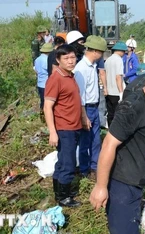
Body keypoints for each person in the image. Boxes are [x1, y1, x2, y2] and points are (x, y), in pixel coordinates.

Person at [89, 61, 145, 234]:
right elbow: (108, 144)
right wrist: (101, 186)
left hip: (137, 175)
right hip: (122, 180)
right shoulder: (133, 107)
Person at [44, 44, 82, 207]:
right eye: (66, 58)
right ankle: (64, 198)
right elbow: (47, 106)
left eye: (73, 57)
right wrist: (53, 132)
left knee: (63, 161)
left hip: (74, 126)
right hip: (64, 128)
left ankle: (60, 193)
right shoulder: (56, 78)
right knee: (68, 163)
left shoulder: (69, 76)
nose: (70, 61)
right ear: (58, 60)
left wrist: (84, 117)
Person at [74, 35, 107, 179]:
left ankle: (95, 166)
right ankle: (84, 169)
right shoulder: (81, 68)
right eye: (102, 53)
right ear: (95, 52)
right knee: (85, 141)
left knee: (96, 139)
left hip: (93, 107)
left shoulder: (92, 66)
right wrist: (83, 116)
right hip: (86, 108)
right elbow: (79, 96)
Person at [104, 41, 127, 127]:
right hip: (116, 92)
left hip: (109, 91)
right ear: (121, 51)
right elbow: (118, 77)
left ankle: (110, 130)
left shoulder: (108, 60)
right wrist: (121, 92)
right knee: (118, 114)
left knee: (110, 114)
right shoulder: (119, 60)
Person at [35, 43, 54, 121]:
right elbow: (50, 70)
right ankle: (47, 118)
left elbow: (36, 70)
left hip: (40, 83)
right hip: (46, 84)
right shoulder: (47, 60)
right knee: (48, 102)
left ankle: (42, 117)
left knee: (42, 100)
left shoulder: (37, 59)